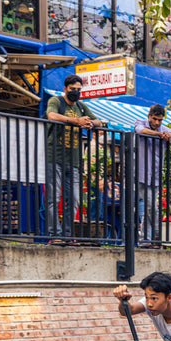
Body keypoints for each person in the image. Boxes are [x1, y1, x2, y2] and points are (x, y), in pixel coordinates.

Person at [45, 74, 104, 243]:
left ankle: (66, 234)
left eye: (78, 89)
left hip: (74, 161)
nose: (75, 92)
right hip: (54, 157)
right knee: (53, 198)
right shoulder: (56, 101)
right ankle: (55, 235)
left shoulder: (81, 106)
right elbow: (51, 116)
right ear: (65, 89)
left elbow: (99, 121)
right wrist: (76, 120)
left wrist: (89, 123)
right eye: (72, 89)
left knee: (74, 200)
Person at [134, 105, 171, 248]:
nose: (157, 123)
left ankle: (144, 240)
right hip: (141, 173)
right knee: (152, 207)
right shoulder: (141, 123)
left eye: (160, 120)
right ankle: (157, 236)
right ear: (149, 116)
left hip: (155, 175)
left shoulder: (164, 129)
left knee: (149, 208)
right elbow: (140, 130)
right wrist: (159, 135)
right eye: (154, 119)